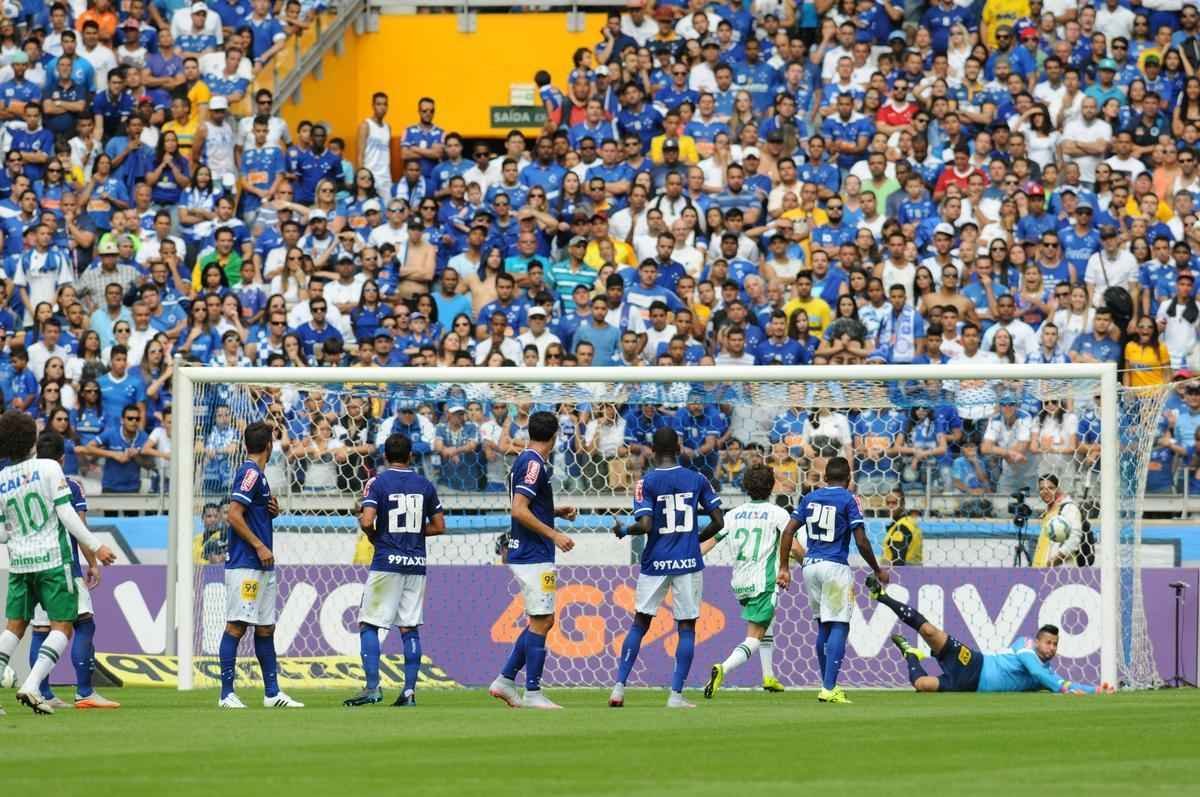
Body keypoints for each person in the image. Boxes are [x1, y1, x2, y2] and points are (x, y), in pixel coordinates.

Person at [0, 410, 116, 715]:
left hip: (20, 563)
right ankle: (32, 685)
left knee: (14, 628)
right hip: (53, 561)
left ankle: (32, 686)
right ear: (31, 440)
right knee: (63, 627)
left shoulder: (2, 479)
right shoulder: (50, 468)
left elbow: (1, 533)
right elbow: (67, 516)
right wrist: (97, 546)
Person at [609, 427, 724, 709]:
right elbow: (719, 522)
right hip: (687, 562)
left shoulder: (645, 482)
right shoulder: (697, 478)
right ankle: (675, 695)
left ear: (653, 449)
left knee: (640, 623)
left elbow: (646, 525)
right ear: (679, 447)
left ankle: (619, 688)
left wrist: (625, 529)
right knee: (686, 627)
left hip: (655, 561)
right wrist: (694, 540)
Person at [865, 575, 1114, 694]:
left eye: (1055, 645)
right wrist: (1065, 688)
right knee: (930, 630)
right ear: (1037, 640)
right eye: (1048, 642)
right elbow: (1046, 676)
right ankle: (883, 596)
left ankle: (910, 654)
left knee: (921, 685)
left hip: (969, 687)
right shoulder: (1025, 646)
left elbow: (1059, 680)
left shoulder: (1046, 676)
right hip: (973, 663)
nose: (1051, 648)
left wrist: (1097, 689)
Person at [776, 455, 888, 704]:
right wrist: (877, 569)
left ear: (825, 479)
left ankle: (828, 684)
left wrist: (784, 566)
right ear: (849, 480)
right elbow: (860, 540)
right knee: (839, 624)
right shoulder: (850, 499)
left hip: (810, 566)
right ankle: (828, 687)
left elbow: (788, 531)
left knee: (823, 626)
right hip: (835, 567)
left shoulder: (809, 498)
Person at [344, 433, 445, 708]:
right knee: (409, 628)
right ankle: (409, 693)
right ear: (411, 456)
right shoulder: (425, 484)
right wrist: (411, 532)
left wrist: (378, 535)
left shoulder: (377, 482)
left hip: (387, 561)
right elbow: (439, 526)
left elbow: (367, 520)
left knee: (369, 624)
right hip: (415, 564)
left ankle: (373, 688)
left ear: (385, 457)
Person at [488, 411, 577, 710]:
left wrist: (554, 510)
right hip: (533, 555)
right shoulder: (533, 464)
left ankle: (505, 680)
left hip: (534, 554)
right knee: (541, 621)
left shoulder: (527, 462)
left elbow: (528, 508)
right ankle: (533, 692)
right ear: (555, 437)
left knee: (544, 619)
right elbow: (518, 510)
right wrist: (555, 534)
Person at [25, 431, 121, 709]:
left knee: (41, 629)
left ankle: (41, 692)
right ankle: (85, 691)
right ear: (62, 458)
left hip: (33, 565)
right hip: (63, 566)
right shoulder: (70, 486)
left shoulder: (27, 487)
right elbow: (78, 528)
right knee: (84, 623)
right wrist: (92, 562)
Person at [217, 421, 304, 709]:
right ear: (269, 446)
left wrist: (269, 514)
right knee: (237, 626)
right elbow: (233, 514)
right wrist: (259, 544)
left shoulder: (258, 477)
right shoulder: (250, 473)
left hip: (261, 565)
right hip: (246, 564)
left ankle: (272, 693)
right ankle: (226, 694)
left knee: (266, 628)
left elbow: (249, 514)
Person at [700, 464, 799, 697]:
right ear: (772, 486)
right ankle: (723, 668)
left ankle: (768, 676)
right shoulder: (778, 513)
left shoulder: (732, 515)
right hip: (764, 581)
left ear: (745, 486)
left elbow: (709, 543)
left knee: (766, 624)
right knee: (754, 637)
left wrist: (686, 557)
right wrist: (810, 562)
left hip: (740, 582)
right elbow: (793, 547)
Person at [1032, 472, 1086, 568]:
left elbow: (1074, 538)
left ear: (1058, 489)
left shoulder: (1068, 508)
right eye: (1041, 489)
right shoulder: (1048, 510)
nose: (1045, 491)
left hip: (1060, 570)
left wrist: (1056, 559)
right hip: (1042, 568)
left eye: (1051, 488)